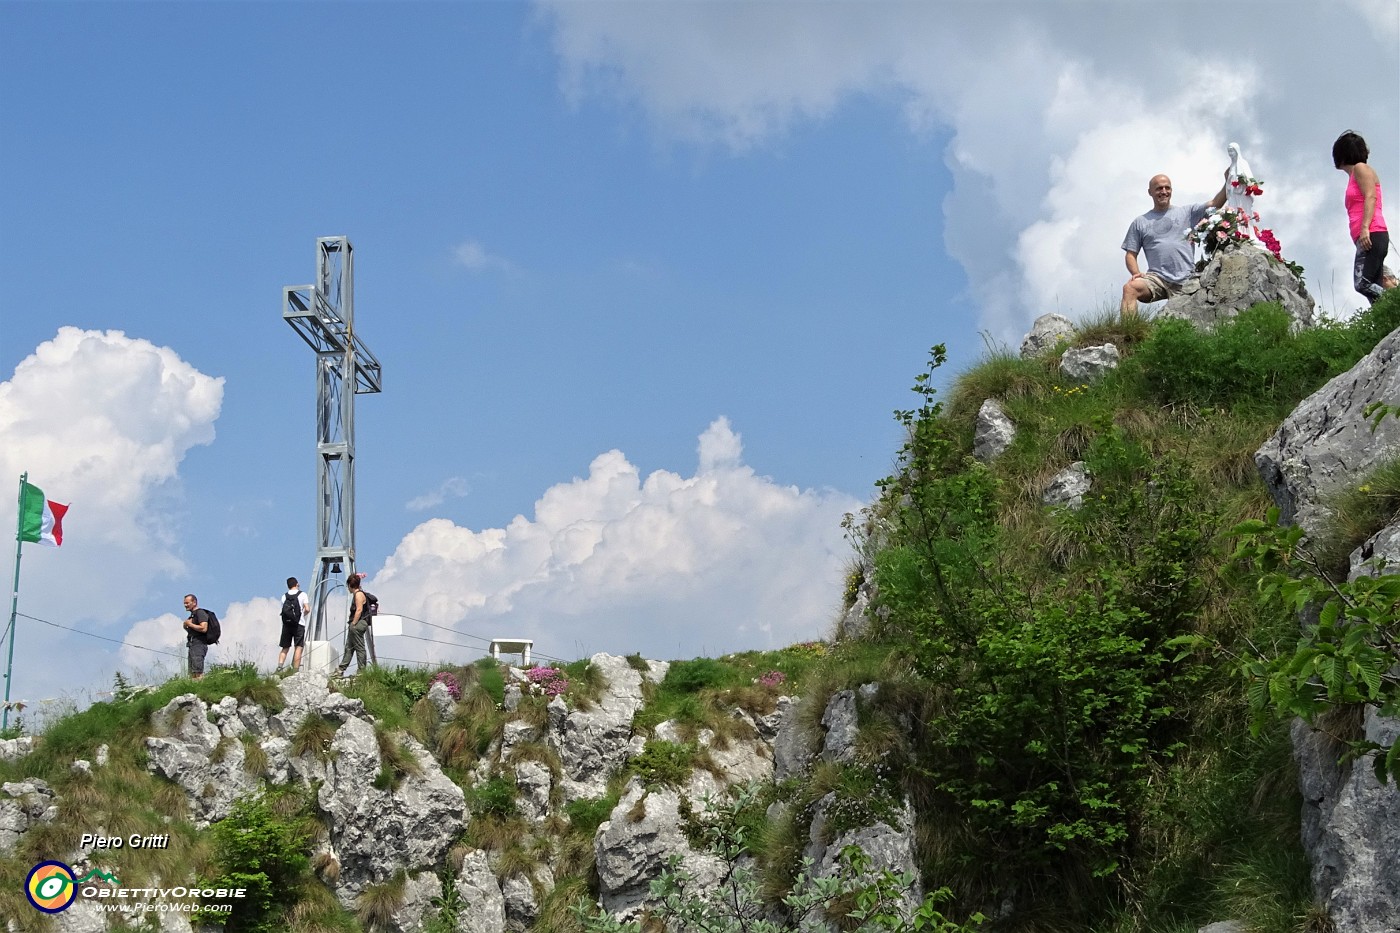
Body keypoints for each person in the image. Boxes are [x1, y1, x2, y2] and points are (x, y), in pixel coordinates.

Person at [1121, 172, 1228, 317]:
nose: (1164, 192)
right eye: (1159, 188)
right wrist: (1136, 273)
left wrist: (1228, 181)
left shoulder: (1188, 212)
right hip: (1157, 279)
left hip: (1187, 278)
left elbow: (1215, 204)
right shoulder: (1140, 222)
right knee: (1130, 288)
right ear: (1150, 192)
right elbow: (1130, 254)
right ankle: (1129, 333)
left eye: (1167, 188)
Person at [1333, 130, 1398, 304]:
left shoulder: (1361, 168)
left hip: (1372, 232)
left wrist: (1364, 229)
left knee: (1363, 283)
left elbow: (1370, 196)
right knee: (1373, 290)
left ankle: (1395, 300)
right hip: (1367, 236)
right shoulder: (1354, 175)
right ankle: (1387, 321)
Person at [335, 573, 369, 679]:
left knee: (359, 647)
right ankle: (341, 670)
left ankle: (362, 671)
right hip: (357, 623)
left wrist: (353, 624)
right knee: (349, 647)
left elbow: (359, 610)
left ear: (350, 585)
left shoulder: (358, 595)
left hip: (358, 623)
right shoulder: (360, 593)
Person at [277, 576, 310, 671]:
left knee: (285, 647)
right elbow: (307, 609)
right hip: (299, 624)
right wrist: (302, 615)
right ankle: (295, 670)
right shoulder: (303, 594)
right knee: (298, 647)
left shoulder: (284, 596)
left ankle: (279, 667)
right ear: (297, 584)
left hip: (286, 625)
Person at [182, 593, 211, 681]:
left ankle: (200, 689)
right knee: (192, 672)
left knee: (197, 670)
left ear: (194, 602)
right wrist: (186, 627)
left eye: (187, 603)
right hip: (192, 644)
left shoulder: (200, 613)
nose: (185, 605)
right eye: (184, 603)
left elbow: (203, 628)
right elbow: (194, 631)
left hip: (199, 644)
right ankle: (194, 690)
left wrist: (189, 624)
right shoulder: (193, 615)